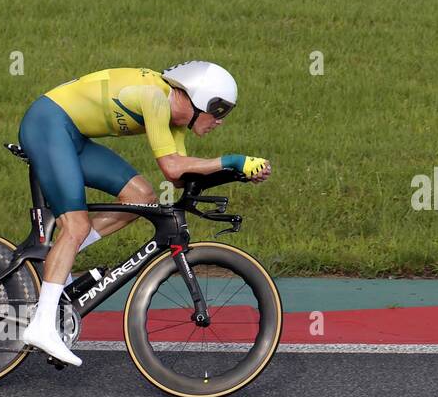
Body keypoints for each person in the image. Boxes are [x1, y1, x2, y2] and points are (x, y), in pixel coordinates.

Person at [16, 61, 271, 366]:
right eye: (219, 110)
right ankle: (42, 325)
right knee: (75, 225)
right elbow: (173, 167)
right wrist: (233, 159)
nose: (220, 120)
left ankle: (61, 256)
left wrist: (235, 173)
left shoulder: (175, 120)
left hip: (70, 135)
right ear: (198, 98)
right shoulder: (155, 98)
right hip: (48, 125)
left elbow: (177, 178)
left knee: (141, 197)